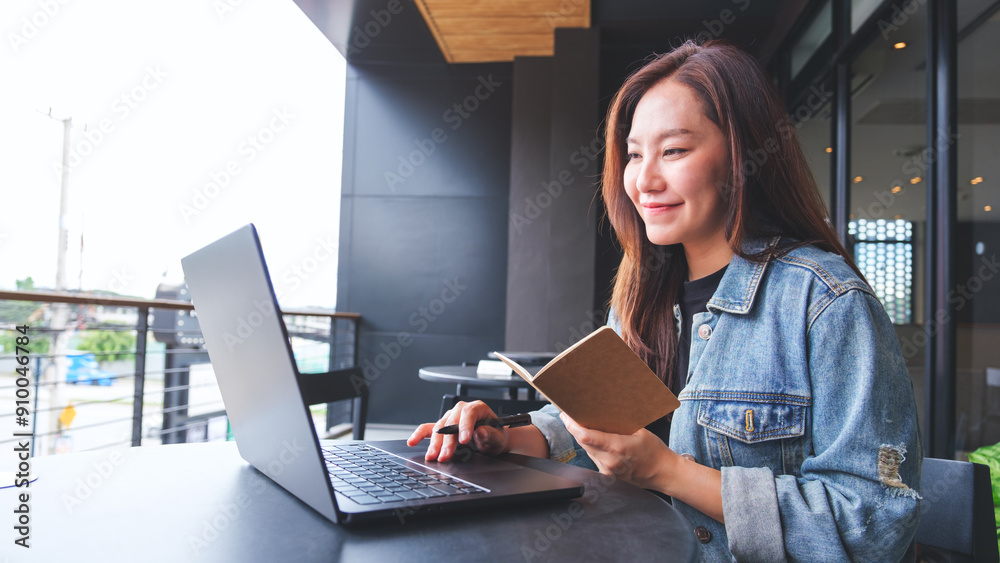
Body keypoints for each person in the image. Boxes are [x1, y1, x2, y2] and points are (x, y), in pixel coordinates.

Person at [407, 40, 921, 561]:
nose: (644, 180)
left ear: (743, 155)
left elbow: (871, 523)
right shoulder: (642, 292)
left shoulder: (825, 302)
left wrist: (667, 472)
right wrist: (506, 441)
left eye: (673, 151)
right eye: (634, 154)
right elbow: (597, 428)